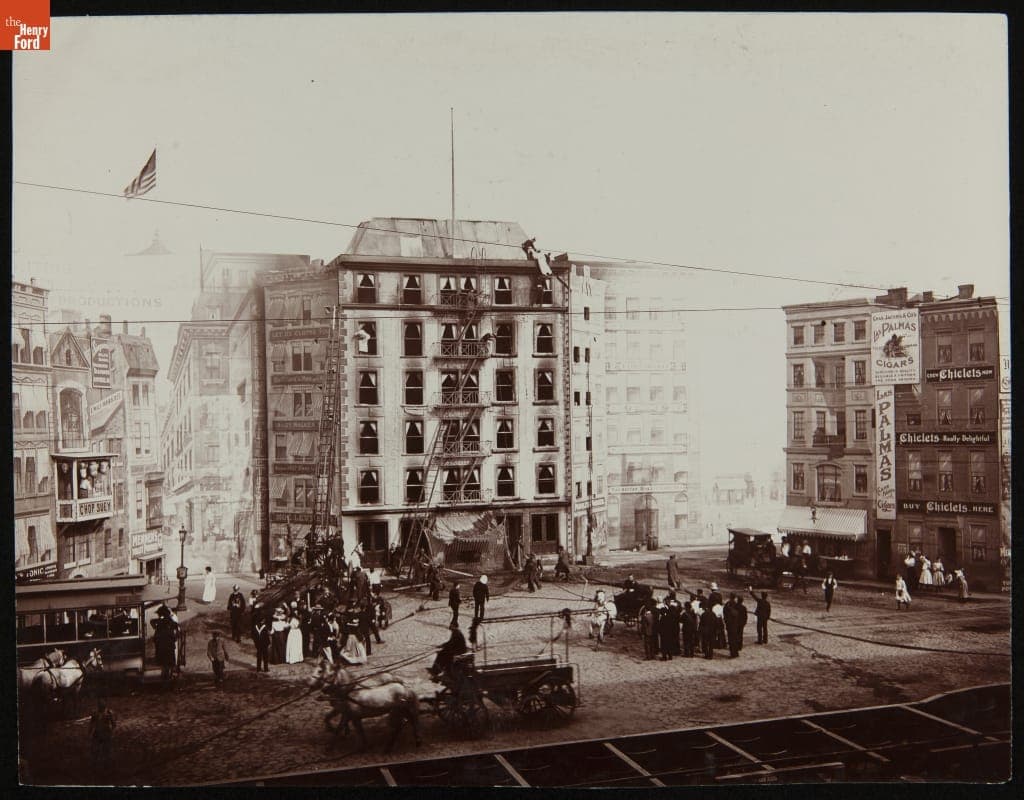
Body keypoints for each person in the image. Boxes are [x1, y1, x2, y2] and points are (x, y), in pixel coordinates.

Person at [151, 605, 178, 682]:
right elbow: (176, 629)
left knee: (164, 664)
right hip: (168, 645)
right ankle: (168, 677)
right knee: (169, 663)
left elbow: (152, 622)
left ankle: (165, 678)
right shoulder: (171, 622)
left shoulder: (161, 622)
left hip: (162, 646)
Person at [89, 699, 116, 768]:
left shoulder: (109, 713)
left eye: (102, 705)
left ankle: (106, 765)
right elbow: (92, 724)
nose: (101, 707)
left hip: (106, 733)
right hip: (98, 733)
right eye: (100, 705)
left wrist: (112, 733)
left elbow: (113, 724)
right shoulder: (95, 713)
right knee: (96, 750)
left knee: (106, 751)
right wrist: (90, 733)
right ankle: (95, 765)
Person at [251, 607, 271, 672]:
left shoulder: (255, 627)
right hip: (264, 645)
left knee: (259, 656)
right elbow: (267, 637)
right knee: (265, 657)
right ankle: (266, 668)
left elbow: (253, 636)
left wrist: (255, 643)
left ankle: (258, 668)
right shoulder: (265, 627)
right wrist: (268, 643)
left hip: (258, 644)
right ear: (262, 620)